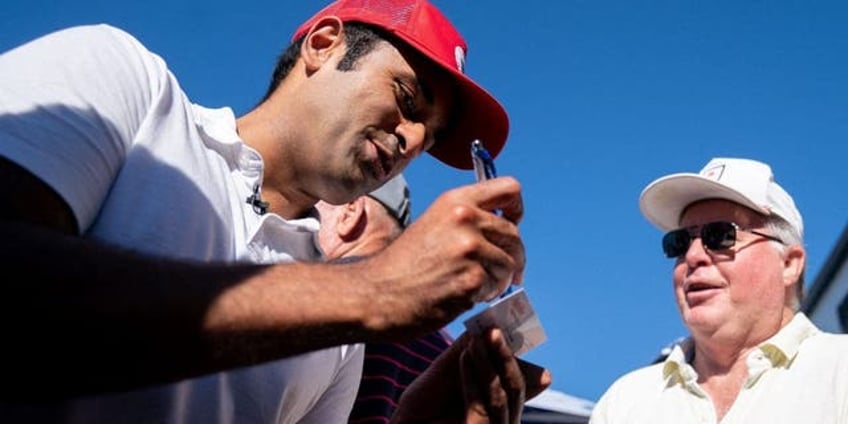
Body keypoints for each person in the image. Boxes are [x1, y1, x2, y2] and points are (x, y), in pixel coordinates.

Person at [0, 0, 548, 422]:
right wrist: (375, 290)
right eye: (408, 100)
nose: (411, 139)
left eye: (429, 139)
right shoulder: (124, 81)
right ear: (324, 43)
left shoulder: (341, 333)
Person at [590, 157, 848, 423]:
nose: (693, 255)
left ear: (789, 264)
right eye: (679, 242)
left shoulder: (841, 373)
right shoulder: (624, 402)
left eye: (721, 235)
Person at [313, 173, 453, 422]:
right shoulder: (444, 343)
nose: (299, 224)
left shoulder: (316, 294)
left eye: (312, 211)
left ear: (349, 213)